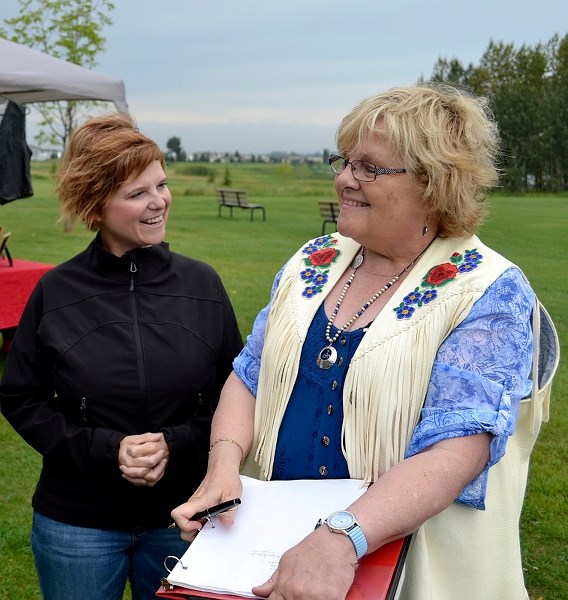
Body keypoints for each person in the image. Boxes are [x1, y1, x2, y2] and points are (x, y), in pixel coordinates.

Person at [171, 83, 557, 600]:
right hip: (282, 555)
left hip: (406, 567)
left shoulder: (486, 289)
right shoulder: (315, 260)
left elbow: (459, 445)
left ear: (434, 183)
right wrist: (222, 466)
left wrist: (341, 537)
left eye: (369, 168)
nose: (344, 179)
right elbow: (250, 375)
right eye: (345, 161)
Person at [0, 113, 243, 600]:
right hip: (77, 525)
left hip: (185, 518)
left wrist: (174, 442)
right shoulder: (56, 290)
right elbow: (21, 396)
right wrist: (107, 449)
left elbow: (235, 394)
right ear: (96, 204)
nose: (159, 202)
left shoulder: (202, 285)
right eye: (137, 194)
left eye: (162, 185)